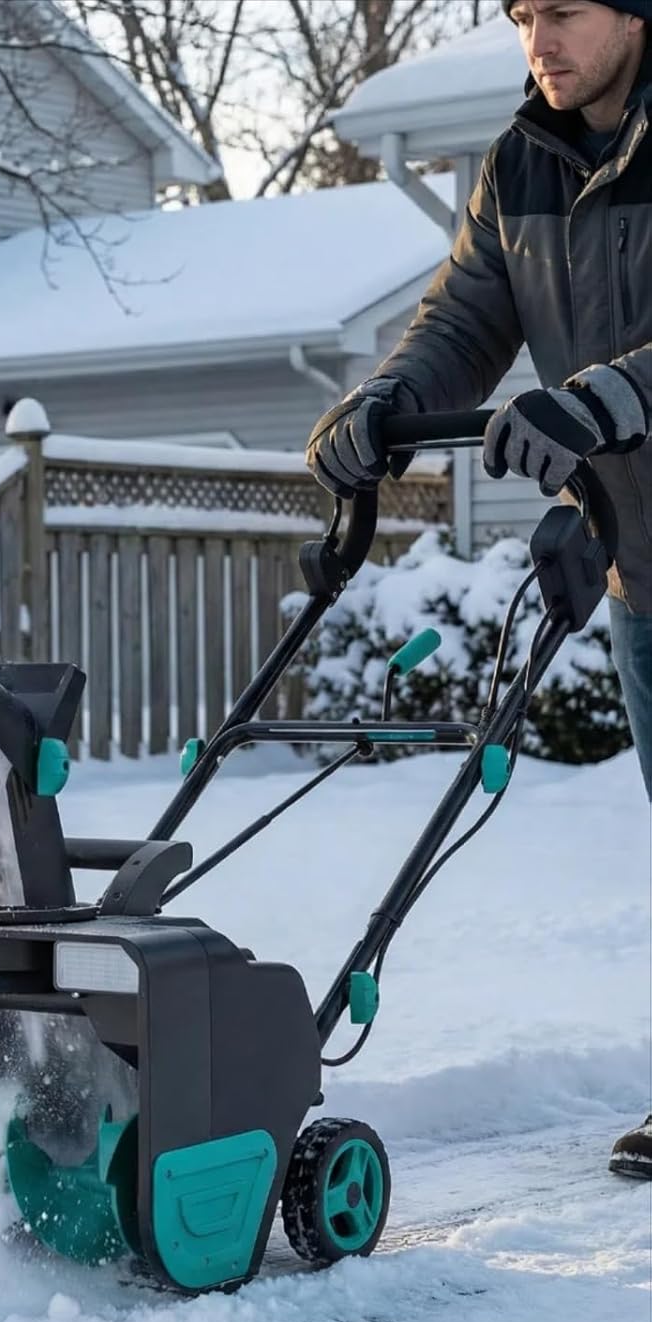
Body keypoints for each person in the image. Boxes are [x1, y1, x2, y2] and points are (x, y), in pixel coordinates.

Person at [305, 0, 651, 1181]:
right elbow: (463, 316)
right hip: (643, 566)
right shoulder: (522, 163)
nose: (538, 39)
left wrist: (602, 400)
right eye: (521, 16)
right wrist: (385, 405)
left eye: (564, 12)